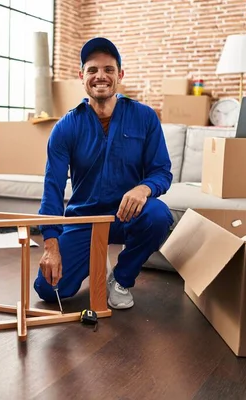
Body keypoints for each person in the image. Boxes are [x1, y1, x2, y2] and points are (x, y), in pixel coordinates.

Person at [34, 37, 174, 309]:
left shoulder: (145, 117)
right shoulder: (65, 127)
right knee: (50, 291)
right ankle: (93, 255)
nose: (101, 76)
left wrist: (142, 189)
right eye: (93, 70)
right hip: (85, 219)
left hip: (127, 215)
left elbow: (161, 172)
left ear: (119, 75)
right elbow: (52, 188)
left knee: (158, 215)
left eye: (109, 69)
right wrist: (51, 246)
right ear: (81, 76)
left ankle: (120, 278)